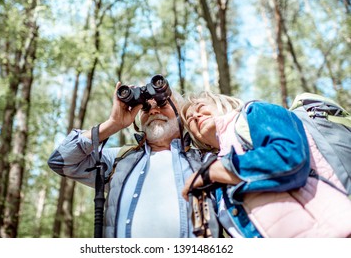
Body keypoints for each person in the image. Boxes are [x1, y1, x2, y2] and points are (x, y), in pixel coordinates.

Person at [47, 78, 219, 238]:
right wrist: (112, 125)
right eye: (145, 107)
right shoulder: (120, 159)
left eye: (162, 103)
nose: (153, 110)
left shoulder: (206, 161)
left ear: (181, 116)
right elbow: (61, 161)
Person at [180, 91, 351, 238]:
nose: (195, 116)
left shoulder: (254, 112)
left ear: (222, 103)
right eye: (190, 120)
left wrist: (219, 170)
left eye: (201, 107)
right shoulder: (213, 174)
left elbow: (288, 158)